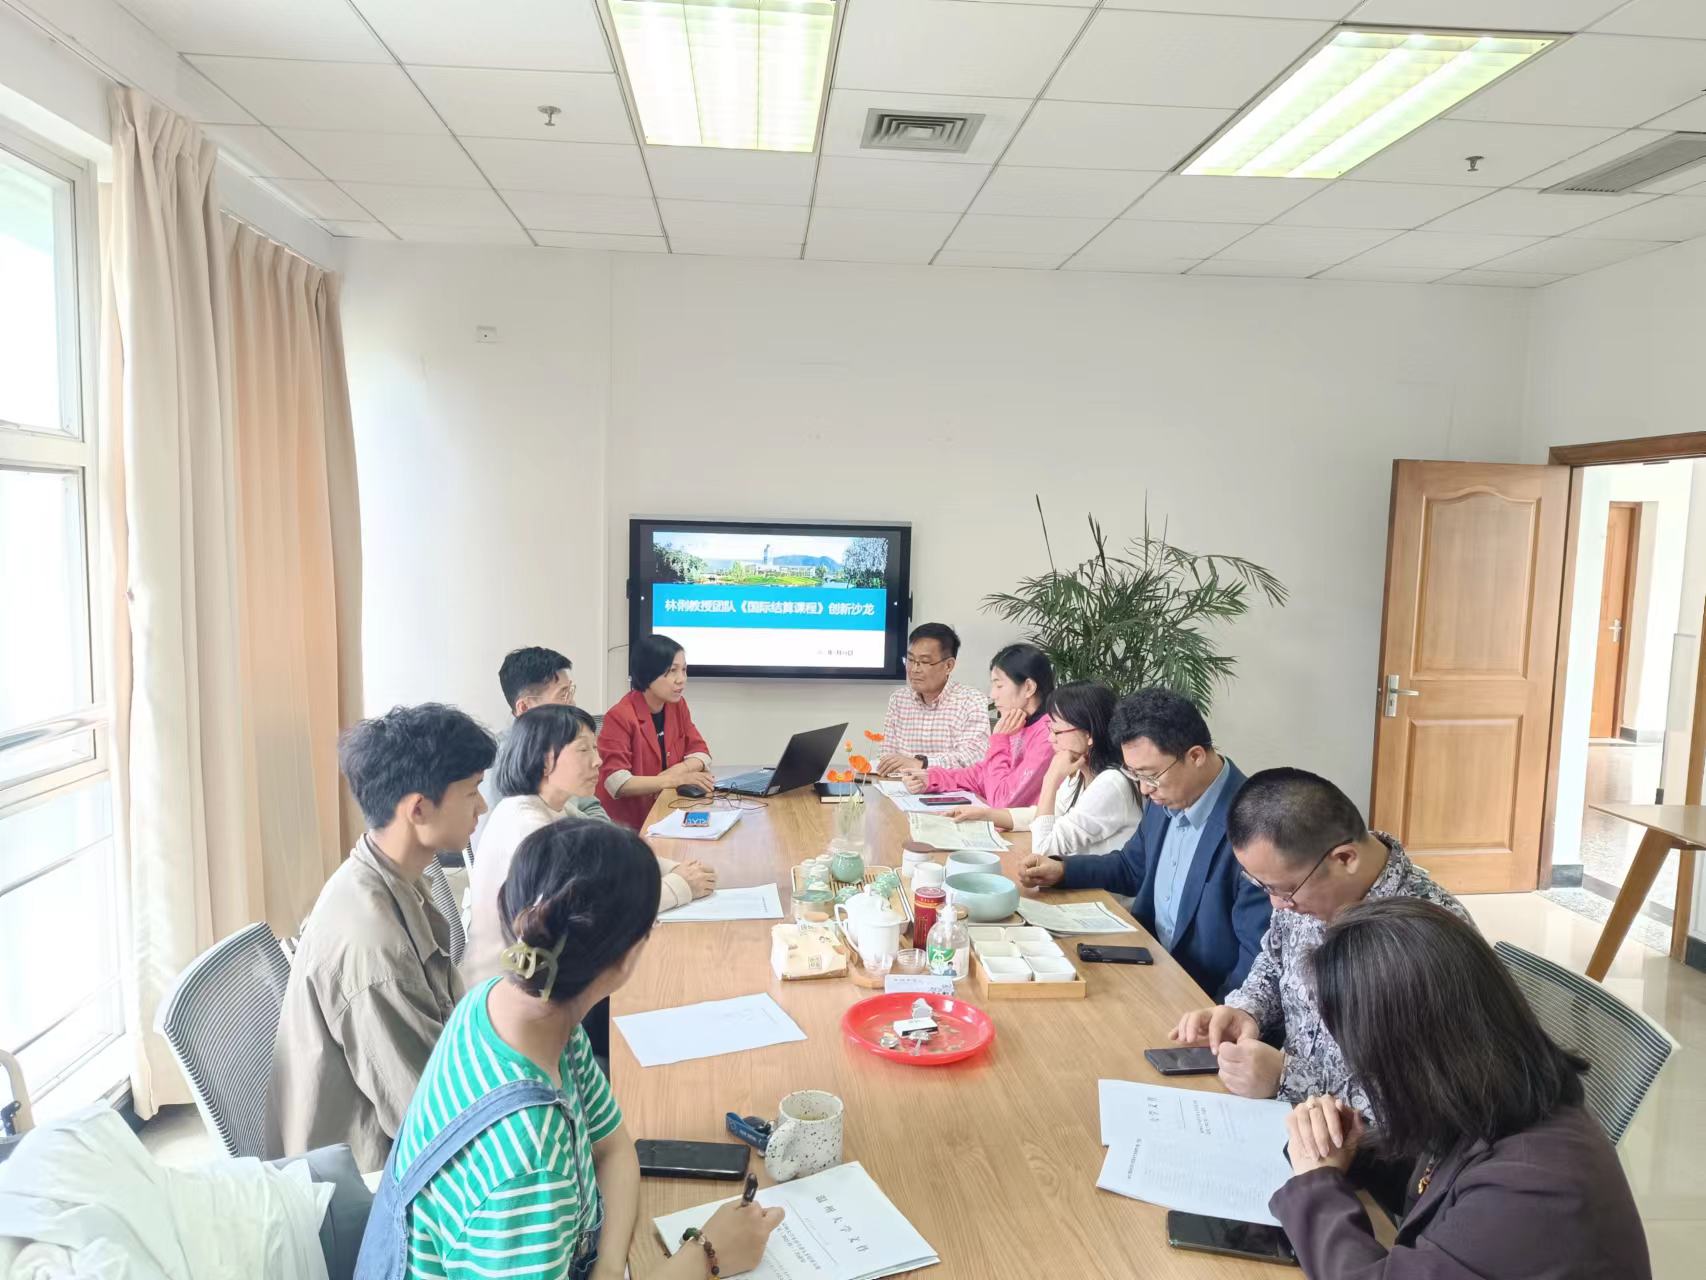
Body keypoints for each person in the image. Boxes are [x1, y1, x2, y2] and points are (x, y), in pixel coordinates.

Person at [362, 821, 785, 1280]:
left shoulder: (519, 1006)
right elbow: (599, 1159)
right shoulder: (529, 1165)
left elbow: (614, 1149)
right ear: (627, 957)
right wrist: (706, 1254)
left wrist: (607, 1269)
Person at [1270, 899, 1650, 1279]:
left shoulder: (1531, 1189)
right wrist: (1352, 1151)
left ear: (1407, 1054)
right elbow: (1436, 1180)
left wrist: (1317, 1187)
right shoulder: (1489, 1097)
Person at [267, 703, 495, 1170]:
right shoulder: (375, 951)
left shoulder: (391, 875)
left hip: (398, 1135)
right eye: (472, 791)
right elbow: (431, 1123)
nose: (482, 806)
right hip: (368, 1180)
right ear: (419, 809)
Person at [1170, 767, 1469, 1116]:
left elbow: (1432, 1100)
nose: (1277, 904)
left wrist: (1288, 1079)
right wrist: (1246, 1010)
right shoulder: (1304, 886)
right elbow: (1274, 963)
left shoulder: (1430, 937)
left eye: (1284, 890)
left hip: (1364, 1143)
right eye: (1263, 886)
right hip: (1287, 1118)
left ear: (1345, 859)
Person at [1017, 688, 1268, 998]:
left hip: (1199, 995)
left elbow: (1256, 957)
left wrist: (1220, 1015)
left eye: (1150, 775)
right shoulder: (1167, 794)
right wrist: (1063, 870)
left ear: (1195, 756)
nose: (1144, 790)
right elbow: (1132, 867)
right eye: (1134, 774)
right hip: (1146, 963)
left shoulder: (1253, 825)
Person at [464, 704, 716, 984]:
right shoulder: (527, 825)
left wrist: (675, 869)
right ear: (545, 761)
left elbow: (614, 855)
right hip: (513, 986)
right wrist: (679, 886)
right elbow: (593, 914)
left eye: (595, 749)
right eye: (584, 750)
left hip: (546, 975)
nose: (598, 761)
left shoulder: (554, 807)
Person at [944, 681, 1140, 857]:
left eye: (1057, 731)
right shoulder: (1081, 773)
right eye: (1050, 729)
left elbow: (1044, 849)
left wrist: (1051, 780)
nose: (1050, 738)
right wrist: (985, 815)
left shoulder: (1111, 783)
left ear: (1089, 735)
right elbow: (1046, 815)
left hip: (1099, 887)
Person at [476, 646, 604, 849]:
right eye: (563, 695)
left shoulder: (567, 743)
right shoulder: (503, 761)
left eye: (570, 692)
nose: (573, 703)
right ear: (524, 708)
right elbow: (489, 841)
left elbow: (591, 806)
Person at [899, 643, 1054, 808]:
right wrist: (931, 778)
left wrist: (999, 740)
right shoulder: (1018, 722)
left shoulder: (1050, 735)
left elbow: (1003, 801)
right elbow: (983, 775)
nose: (992, 695)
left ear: (1028, 687)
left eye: (999, 685)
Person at [597, 635, 714, 830]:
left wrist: (678, 771)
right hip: (628, 827)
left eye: (684, 670)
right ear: (648, 674)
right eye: (672, 671)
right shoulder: (619, 717)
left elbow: (701, 753)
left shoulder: (677, 706)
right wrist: (673, 780)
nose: (681, 680)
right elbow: (617, 782)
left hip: (667, 811)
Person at [874, 623, 990, 774]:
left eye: (924, 662)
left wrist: (921, 764)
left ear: (948, 666)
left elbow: (973, 758)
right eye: (910, 660)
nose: (914, 669)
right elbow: (887, 753)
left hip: (951, 787)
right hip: (900, 785)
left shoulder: (971, 701)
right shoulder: (899, 700)